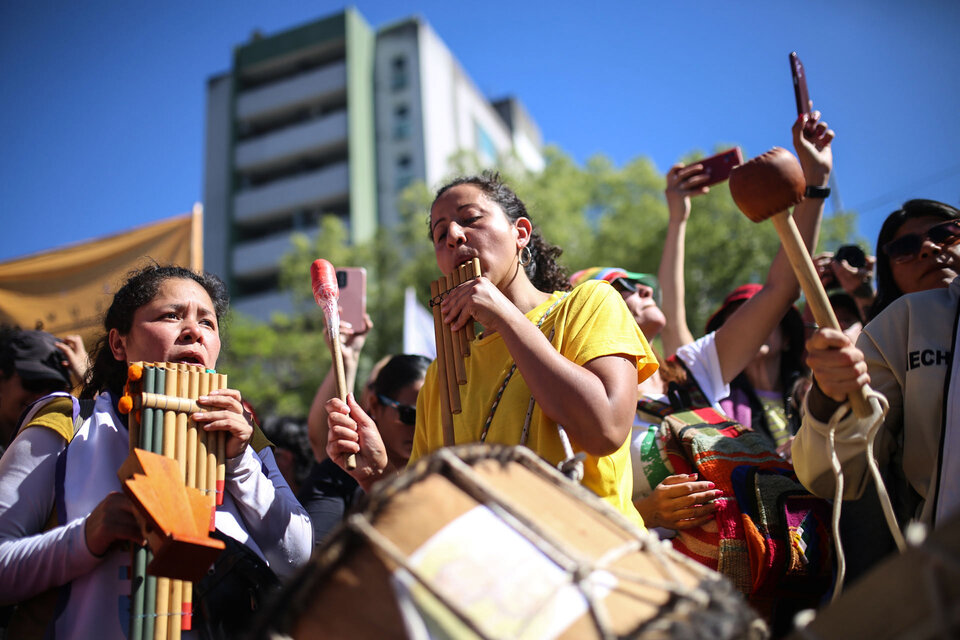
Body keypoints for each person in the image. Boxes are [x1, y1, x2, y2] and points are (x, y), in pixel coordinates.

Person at [327, 172, 658, 525]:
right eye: (440, 235)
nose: (454, 235)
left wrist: (505, 316)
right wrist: (376, 474)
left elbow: (605, 429)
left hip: (592, 555)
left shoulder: (589, 303)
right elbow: (436, 519)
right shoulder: (441, 376)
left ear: (521, 233)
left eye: (470, 219)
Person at [0, 265, 312, 638]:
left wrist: (239, 463)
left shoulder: (244, 438)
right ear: (119, 344)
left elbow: (299, 561)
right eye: (171, 315)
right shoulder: (67, 423)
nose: (194, 332)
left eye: (208, 324)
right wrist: (84, 539)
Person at [589, 110, 833, 532]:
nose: (644, 288)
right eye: (621, 286)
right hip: (665, 580)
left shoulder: (692, 371)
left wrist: (814, 184)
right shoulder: (584, 408)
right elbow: (574, 512)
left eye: (644, 284)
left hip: (759, 566)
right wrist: (648, 514)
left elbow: (780, 289)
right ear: (586, 316)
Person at [794, 201, 960, 537]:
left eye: (946, 233)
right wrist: (829, 398)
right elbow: (835, 471)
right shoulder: (892, 329)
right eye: (904, 248)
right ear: (888, 272)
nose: (928, 248)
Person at [300, 354, 430, 544]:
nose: (422, 425)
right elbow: (314, 556)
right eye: (410, 414)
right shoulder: (341, 475)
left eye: (433, 413)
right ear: (375, 405)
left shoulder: (451, 474)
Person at [0, 329, 73, 455]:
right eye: (35, 383)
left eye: (56, 388)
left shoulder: (63, 452)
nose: (43, 398)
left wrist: (88, 380)